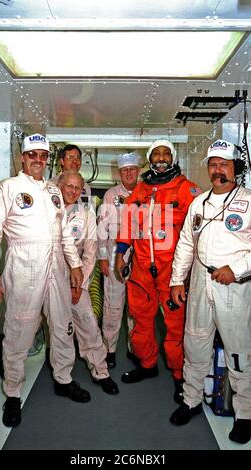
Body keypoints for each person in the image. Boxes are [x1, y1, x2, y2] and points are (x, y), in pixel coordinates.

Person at [0, 133, 91, 428]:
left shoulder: (54, 192)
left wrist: (76, 265)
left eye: (43, 156)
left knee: (62, 326)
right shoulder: (8, 188)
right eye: (33, 155)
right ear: (23, 158)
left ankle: (64, 379)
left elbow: (65, 232)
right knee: (18, 331)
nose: (38, 161)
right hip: (23, 265)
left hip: (56, 265)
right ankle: (13, 394)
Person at [169, 139, 251, 444]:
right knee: (195, 345)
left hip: (234, 289)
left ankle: (244, 414)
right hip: (200, 283)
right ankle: (191, 400)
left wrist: (235, 269)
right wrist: (176, 280)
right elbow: (187, 243)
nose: (217, 170)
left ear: (235, 168)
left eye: (223, 165)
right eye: (213, 165)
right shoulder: (199, 204)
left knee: (238, 353)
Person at [115, 139, 201, 403]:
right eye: (156, 154)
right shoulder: (141, 190)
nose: (161, 158)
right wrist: (120, 253)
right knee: (141, 321)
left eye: (166, 153)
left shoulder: (186, 190)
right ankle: (147, 365)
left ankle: (179, 375)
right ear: (150, 159)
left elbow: (197, 230)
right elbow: (128, 223)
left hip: (171, 270)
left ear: (172, 158)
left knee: (175, 327)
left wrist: (190, 267)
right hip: (141, 267)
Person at [58, 171, 119, 395]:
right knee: (58, 330)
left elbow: (90, 254)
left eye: (78, 188)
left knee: (88, 325)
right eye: (69, 186)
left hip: (76, 279)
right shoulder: (48, 211)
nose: (73, 191)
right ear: (59, 185)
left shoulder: (85, 215)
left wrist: (79, 286)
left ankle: (101, 372)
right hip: (49, 278)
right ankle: (62, 378)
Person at [97, 152, 140, 368]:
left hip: (140, 257)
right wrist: (103, 259)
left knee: (136, 308)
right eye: (125, 170)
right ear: (120, 173)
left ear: (138, 171)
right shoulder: (110, 195)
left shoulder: (146, 193)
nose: (129, 173)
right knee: (113, 307)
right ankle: (109, 349)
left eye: (133, 169)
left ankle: (135, 349)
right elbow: (102, 229)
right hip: (115, 253)